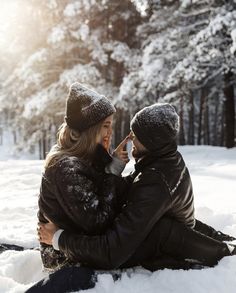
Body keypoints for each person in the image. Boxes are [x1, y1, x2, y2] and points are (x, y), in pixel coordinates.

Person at [38, 103, 236, 270]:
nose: (130, 137)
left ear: (151, 141)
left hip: (148, 248)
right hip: (154, 237)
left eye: (136, 134)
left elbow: (111, 250)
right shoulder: (164, 161)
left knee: (162, 229)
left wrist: (59, 238)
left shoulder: (155, 180)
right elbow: (128, 193)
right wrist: (113, 167)